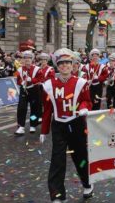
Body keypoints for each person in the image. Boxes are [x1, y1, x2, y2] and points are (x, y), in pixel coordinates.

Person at [40, 48, 93, 202]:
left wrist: (84, 107)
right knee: (57, 160)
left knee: (80, 157)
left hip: (76, 124)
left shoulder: (81, 82)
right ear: (57, 66)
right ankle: (57, 195)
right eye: (61, 63)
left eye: (67, 63)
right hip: (59, 126)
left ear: (72, 65)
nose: (64, 66)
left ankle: (87, 183)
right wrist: (44, 130)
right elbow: (47, 109)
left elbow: (87, 100)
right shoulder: (49, 85)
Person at [15, 50, 43, 135]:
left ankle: (33, 125)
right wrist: (21, 82)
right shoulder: (19, 69)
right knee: (21, 108)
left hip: (34, 90)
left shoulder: (37, 69)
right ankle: (21, 127)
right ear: (23, 59)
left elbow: (41, 79)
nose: (27, 59)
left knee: (34, 108)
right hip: (24, 90)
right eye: (25, 58)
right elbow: (18, 80)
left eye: (29, 58)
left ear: (32, 59)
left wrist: (32, 80)